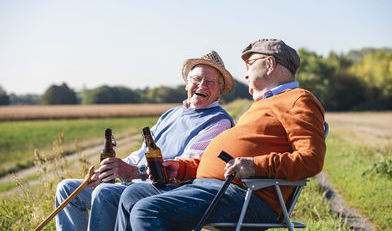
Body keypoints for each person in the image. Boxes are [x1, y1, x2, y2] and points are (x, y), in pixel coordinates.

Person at [114, 39, 327, 231]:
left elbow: (312, 160)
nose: (245, 74)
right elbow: (223, 160)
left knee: (146, 210)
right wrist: (183, 168)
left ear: (269, 64)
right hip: (209, 187)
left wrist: (255, 166)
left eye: (250, 64)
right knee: (131, 196)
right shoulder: (261, 106)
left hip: (246, 196)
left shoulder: (298, 100)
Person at [55, 50, 235, 230]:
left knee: (105, 192)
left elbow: (183, 168)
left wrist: (133, 172)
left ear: (220, 92)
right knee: (67, 188)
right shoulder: (172, 114)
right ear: (187, 83)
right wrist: (110, 172)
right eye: (196, 79)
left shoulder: (218, 121)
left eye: (210, 82)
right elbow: (141, 154)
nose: (202, 85)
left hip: (162, 192)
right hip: (132, 184)